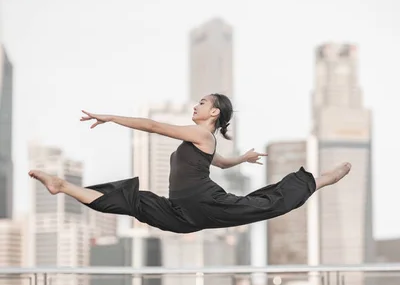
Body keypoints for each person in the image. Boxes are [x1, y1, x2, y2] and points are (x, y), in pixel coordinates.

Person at [29, 93, 351, 234]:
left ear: (213, 113)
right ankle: (62, 186)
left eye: (202, 102)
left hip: (204, 201)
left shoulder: (200, 134)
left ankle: (321, 180)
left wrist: (111, 117)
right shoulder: (202, 142)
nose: (196, 105)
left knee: (263, 204)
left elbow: (154, 127)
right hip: (182, 213)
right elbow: (221, 164)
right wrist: (243, 157)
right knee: (129, 201)